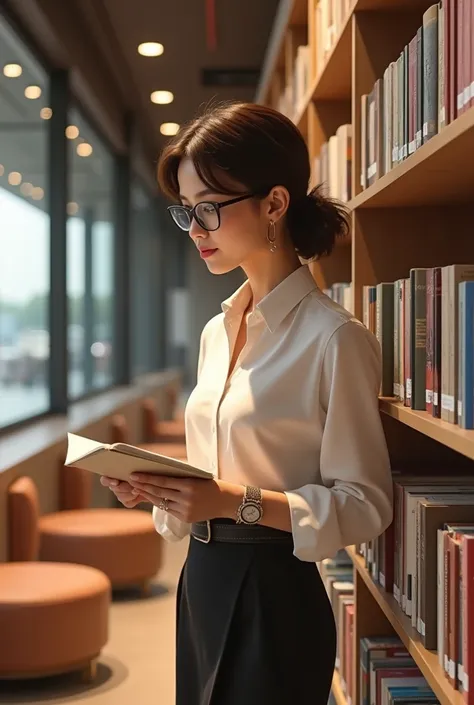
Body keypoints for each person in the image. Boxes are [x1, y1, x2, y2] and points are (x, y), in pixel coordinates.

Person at [101, 101, 393, 705]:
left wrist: (239, 502)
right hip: (200, 579)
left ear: (274, 204)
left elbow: (365, 505)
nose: (197, 229)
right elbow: (212, 476)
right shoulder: (217, 330)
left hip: (275, 592)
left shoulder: (335, 339)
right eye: (187, 211)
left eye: (208, 207)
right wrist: (160, 490)